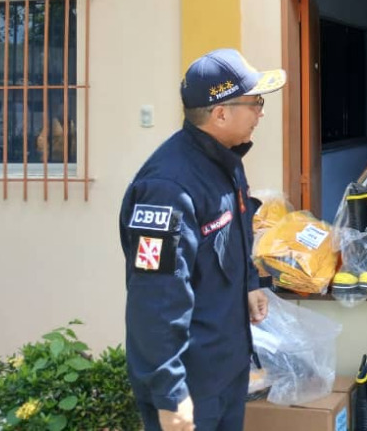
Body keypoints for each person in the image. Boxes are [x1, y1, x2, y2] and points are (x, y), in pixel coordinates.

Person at [119, 48, 286, 431]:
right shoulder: (168, 188)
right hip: (189, 384)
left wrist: (249, 284)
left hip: (225, 368)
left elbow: (233, 233)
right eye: (255, 102)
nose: (261, 112)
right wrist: (170, 395)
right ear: (221, 113)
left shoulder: (224, 161)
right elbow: (156, 303)